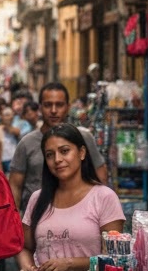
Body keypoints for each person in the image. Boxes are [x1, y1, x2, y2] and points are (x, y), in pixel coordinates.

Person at [17, 124, 126, 271]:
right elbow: (24, 247)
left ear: (81, 153)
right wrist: (30, 269)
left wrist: (70, 264)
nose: (57, 159)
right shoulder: (37, 199)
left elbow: (114, 259)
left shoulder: (104, 197)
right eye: (50, 155)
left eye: (64, 151)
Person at [9, 82, 108, 212]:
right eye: (48, 105)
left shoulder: (83, 138)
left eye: (59, 105)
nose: (54, 110)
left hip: (79, 216)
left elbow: (101, 176)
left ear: (68, 107)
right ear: (40, 108)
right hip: (36, 218)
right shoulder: (27, 143)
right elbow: (15, 186)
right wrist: (15, 221)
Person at [0, 107, 23, 173]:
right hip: (3, 159)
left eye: (9, 115)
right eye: (6, 115)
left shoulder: (15, 127)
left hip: (12, 159)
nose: (7, 117)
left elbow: (16, 131)